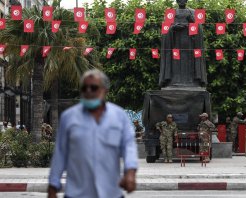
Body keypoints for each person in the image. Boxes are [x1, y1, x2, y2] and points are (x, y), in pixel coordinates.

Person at [48, 69, 138, 198]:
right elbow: (60, 153)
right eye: (84, 88)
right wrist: (53, 186)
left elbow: (128, 147)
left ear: (104, 90)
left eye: (94, 87)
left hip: (111, 193)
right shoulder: (69, 117)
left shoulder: (119, 116)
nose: (88, 91)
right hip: (77, 193)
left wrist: (130, 172)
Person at [159, 0, 207, 88]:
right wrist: (173, 28)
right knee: (176, 62)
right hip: (175, 44)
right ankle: (174, 81)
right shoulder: (171, 13)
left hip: (190, 45)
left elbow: (200, 30)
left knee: (189, 63)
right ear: (177, 1)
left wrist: (192, 21)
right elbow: (165, 31)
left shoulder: (193, 12)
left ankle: (192, 82)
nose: (182, 1)